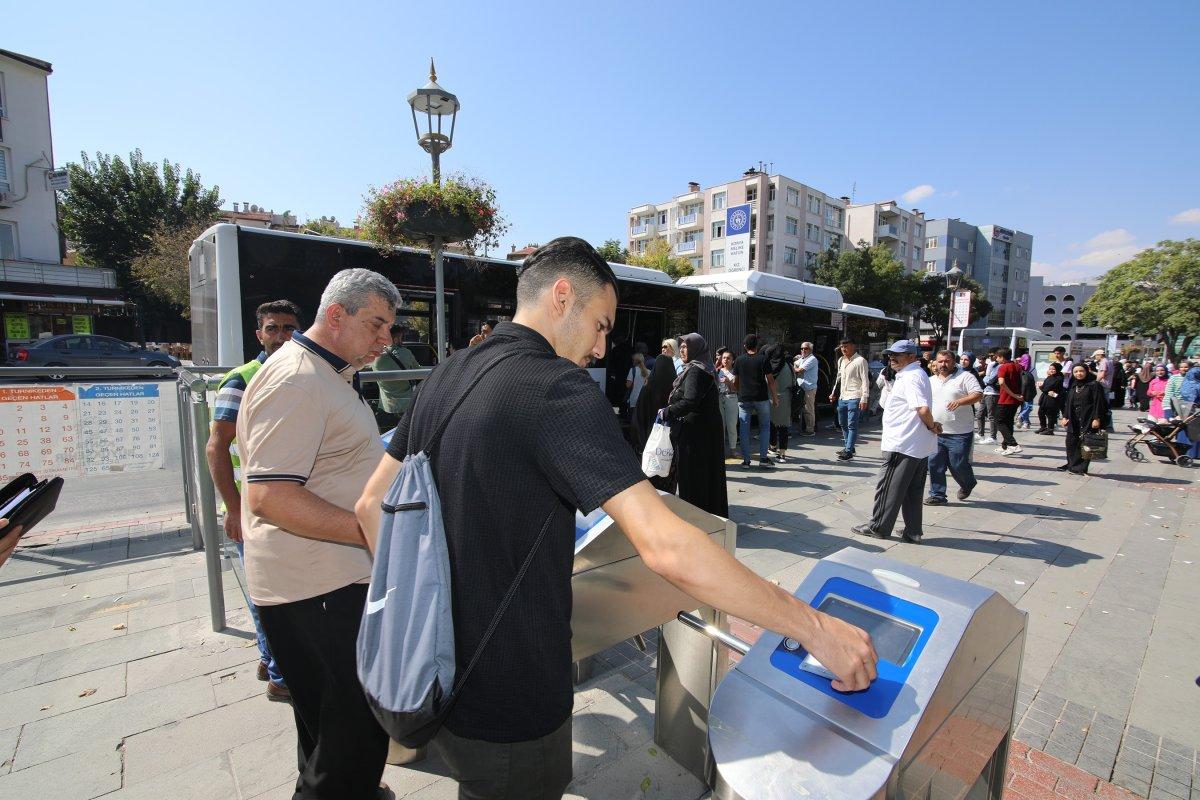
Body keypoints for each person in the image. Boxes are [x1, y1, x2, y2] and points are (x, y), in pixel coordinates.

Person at [354, 237, 877, 800]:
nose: (602, 348)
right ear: (561, 297)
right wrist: (816, 629)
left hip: (431, 678)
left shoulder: (448, 373)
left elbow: (370, 504)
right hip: (512, 697)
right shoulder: (557, 389)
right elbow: (666, 546)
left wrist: (428, 610)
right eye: (601, 325)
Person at [238, 270, 399, 799]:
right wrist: (373, 532)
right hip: (317, 590)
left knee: (328, 736)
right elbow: (270, 496)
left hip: (325, 583)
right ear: (336, 315)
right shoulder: (297, 379)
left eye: (389, 327)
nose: (386, 339)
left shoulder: (327, 373)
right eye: (376, 324)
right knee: (352, 743)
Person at [205, 299, 302, 703]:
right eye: (273, 328)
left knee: (276, 591)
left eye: (289, 328)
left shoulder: (299, 373)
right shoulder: (242, 380)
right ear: (259, 334)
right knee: (270, 594)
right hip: (253, 508)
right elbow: (216, 447)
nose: (282, 336)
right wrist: (233, 508)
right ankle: (282, 677)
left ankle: (269, 658)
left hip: (286, 503)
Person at [852, 341, 941, 542]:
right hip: (915, 444)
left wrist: (931, 426)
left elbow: (922, 409)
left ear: (912, 356)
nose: (892, 358)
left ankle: (878, 527)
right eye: (890, 354)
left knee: (889, 487)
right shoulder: (914, 374)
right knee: (912, 490)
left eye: (897, 355)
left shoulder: (911, 376)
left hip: (903, 443)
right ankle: (913, 531)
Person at [663, 333, 729, 516]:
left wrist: (668, 411)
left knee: (694, 477)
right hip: (707, 430)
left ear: (696, 348)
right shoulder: (705, 368)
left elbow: (690, 401)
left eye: (686, 346)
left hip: (696, 435)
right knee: (708, 476)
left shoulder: (695, 370)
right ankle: (711, 515)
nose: (682, 350)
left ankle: (696, 517)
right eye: (681, 347)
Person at [925, 350, 982, 505]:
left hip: (960, 432)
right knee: (934, 464)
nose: (943, 364)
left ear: (953, 362)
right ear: (935, 362)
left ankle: (968, 483)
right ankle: (937, 495)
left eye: (947, 361)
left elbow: (978, 394)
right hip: (936, 431)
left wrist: (960, 401)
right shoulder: (930, 380)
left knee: (958, 464)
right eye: (940, 361)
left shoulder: (965, 377)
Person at [631, 347, 679, 492]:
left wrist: (639, 442)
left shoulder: (647, 389)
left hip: (649, 441)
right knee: (667, 475)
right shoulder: (676, 391)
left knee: (650, 479)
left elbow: (638, 417)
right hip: (669, 443)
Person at [733, 334, 778, 468]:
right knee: (764, 427)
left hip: (744, 398)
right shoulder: (763, 359)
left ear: (745, 346)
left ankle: (746, 461)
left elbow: (735, 381)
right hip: (761, 397)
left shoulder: (739, 360)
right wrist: (775, 397)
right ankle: (763, 459)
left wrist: (739, 391)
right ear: (757, 346)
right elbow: (770, 380)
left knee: (744, 429)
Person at [1060, 362, 1107, 475]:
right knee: (1071, 442)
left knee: (1085, 442)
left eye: (1081, 371)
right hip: (1074, 418)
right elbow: (1069, 402)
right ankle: (1071, 464)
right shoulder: (1074, 385)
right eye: (1076, 372)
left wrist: (1097, 418)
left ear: (1086, 372)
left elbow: (1099, 403)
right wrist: (1065, 416)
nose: (1079, 374)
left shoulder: (1094, 385)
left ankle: (1080, 467)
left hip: (1088, 418)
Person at [372, 323, 422, 425]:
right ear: (395, 339)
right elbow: (419, 372)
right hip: (407, 407)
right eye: (401, 338)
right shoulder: (406, 353)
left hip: (386, 408)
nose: (402, 341)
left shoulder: (376, 357)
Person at [829, 338, 870, 461]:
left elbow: (865, 380)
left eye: (846, 346)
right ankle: (849, 447)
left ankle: (848, 451)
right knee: (842, 423)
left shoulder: (860, 361)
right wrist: (833, 393)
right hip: (843, 396)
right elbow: (839, 378)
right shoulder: (841, 360)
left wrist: (864, 398)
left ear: (853, 346)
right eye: (842, 346)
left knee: (852, 424)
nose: (843, 349)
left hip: (855, 396)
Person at [993, 348, 1024, 456]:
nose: (996, 359)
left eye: (997, 357)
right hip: (1016, 400)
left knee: (999, 421)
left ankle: (1013, 444)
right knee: (1008, 422)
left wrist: (1013, 394)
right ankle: (1005, 446)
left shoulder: (1003, 367)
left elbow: (1001, 383)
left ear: (1002, 357)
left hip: (1006, 399)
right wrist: (1016, 395)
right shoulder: (1017, 366)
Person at [767, 344, 795, 462]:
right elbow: (793, 382)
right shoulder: (789, 365)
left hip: (770, 398)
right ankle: (782, 453)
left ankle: (772, 446)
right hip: (785, 398)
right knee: (783, 426)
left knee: (772, 423)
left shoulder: (769, 366)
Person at [716, 351, 739, 458]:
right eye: (724, 358)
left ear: (733, 360)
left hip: (731, 398)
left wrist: (728, 382)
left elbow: (736, 389)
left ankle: (733, 449)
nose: (725, 360)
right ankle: (720, 450)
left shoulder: (735, 372)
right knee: (720, 425)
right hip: (720, 398)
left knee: (732, 425)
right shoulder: (717, 371)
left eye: (728, 358)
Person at [793, 341, 819, 436]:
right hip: (802, 387)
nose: (803, 350)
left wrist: (792, 369)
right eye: (802, 348)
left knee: (808, 409)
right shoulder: (803, 358)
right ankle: (804, 428)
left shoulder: (812, 359)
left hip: (809, 388)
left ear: (810, 350)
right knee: (803, 409)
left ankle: (810, 430)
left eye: (806, 348)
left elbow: (800, 370)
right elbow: (795, 363)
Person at [977, 349, 1000, 444]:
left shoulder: (998, 366)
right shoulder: (992, 365)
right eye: (989, 356)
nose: (990, 357)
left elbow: (989, 379)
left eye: (992, 355)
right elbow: (987, 378)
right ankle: (980, 434)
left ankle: (993, 437)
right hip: (986, 391)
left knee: (991, 416)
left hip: (993, 393)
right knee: (979, 414)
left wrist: (986, 378)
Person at [1036, 362, 1066, 435]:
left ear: (1058, 369)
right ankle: (1043, 427)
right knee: (1041, 413)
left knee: (1050, 414)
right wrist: (1043, 388)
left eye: (1053, 369)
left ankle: (1050, 429)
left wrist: (1041, 387)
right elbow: (1046, 388)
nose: (1051, 370)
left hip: (1052, 399)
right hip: (1046, 398)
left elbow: (1047, 388)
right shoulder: (1050, 377)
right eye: (1050, 369)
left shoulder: (1058, 378)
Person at [1017, 354, 1036, 430]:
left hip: (1020, 389)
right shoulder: (1032, 368)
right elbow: (1035, 379)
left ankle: (1025, 422)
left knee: (1024, 406)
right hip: (1029, 391)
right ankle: (1022, 418)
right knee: (1028, 407)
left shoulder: (1018, 366)